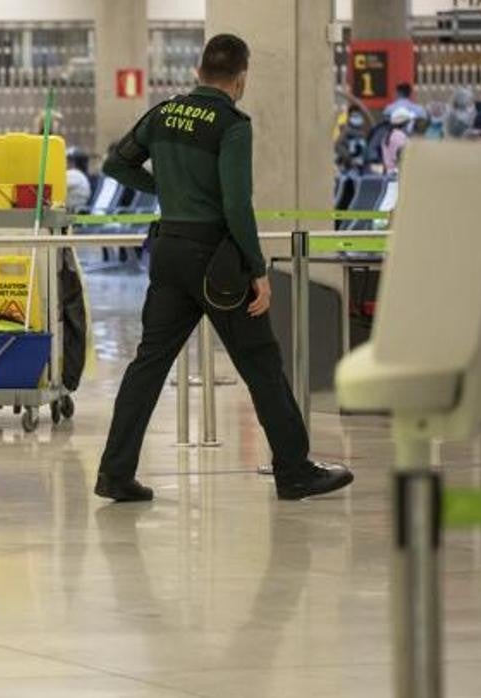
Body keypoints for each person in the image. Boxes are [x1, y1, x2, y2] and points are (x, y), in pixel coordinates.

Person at [94, 34, 354, 503]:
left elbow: (116, 164)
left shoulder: (163, 113)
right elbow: (237, 203)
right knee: (260, 363)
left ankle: (115, 473)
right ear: (240, 79)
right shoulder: (232, 125)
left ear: (198, 72)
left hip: (169, 250)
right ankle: (294, 471)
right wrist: (257, 269)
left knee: (148, 365)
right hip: (215, 260)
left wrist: (166, 190)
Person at [334, 107, 369, 174]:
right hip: (348, 164)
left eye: (358, 116)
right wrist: (348, 158)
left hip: (361, 163)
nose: (357, 118)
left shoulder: (363, 130)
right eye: (354, 116)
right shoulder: (346, 130)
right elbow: (338, 145)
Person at [382, 107, 412, 174]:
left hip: (389, 173)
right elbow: (401, 156)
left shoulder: (389, 135)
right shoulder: (399, 135)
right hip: (398, 174)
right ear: (405, 123)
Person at [65, 147, 92, 211]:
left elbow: (56, 185)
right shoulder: (80, 175)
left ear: (73, 162)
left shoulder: (75, 174)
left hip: (70, 213)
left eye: (68, 160)